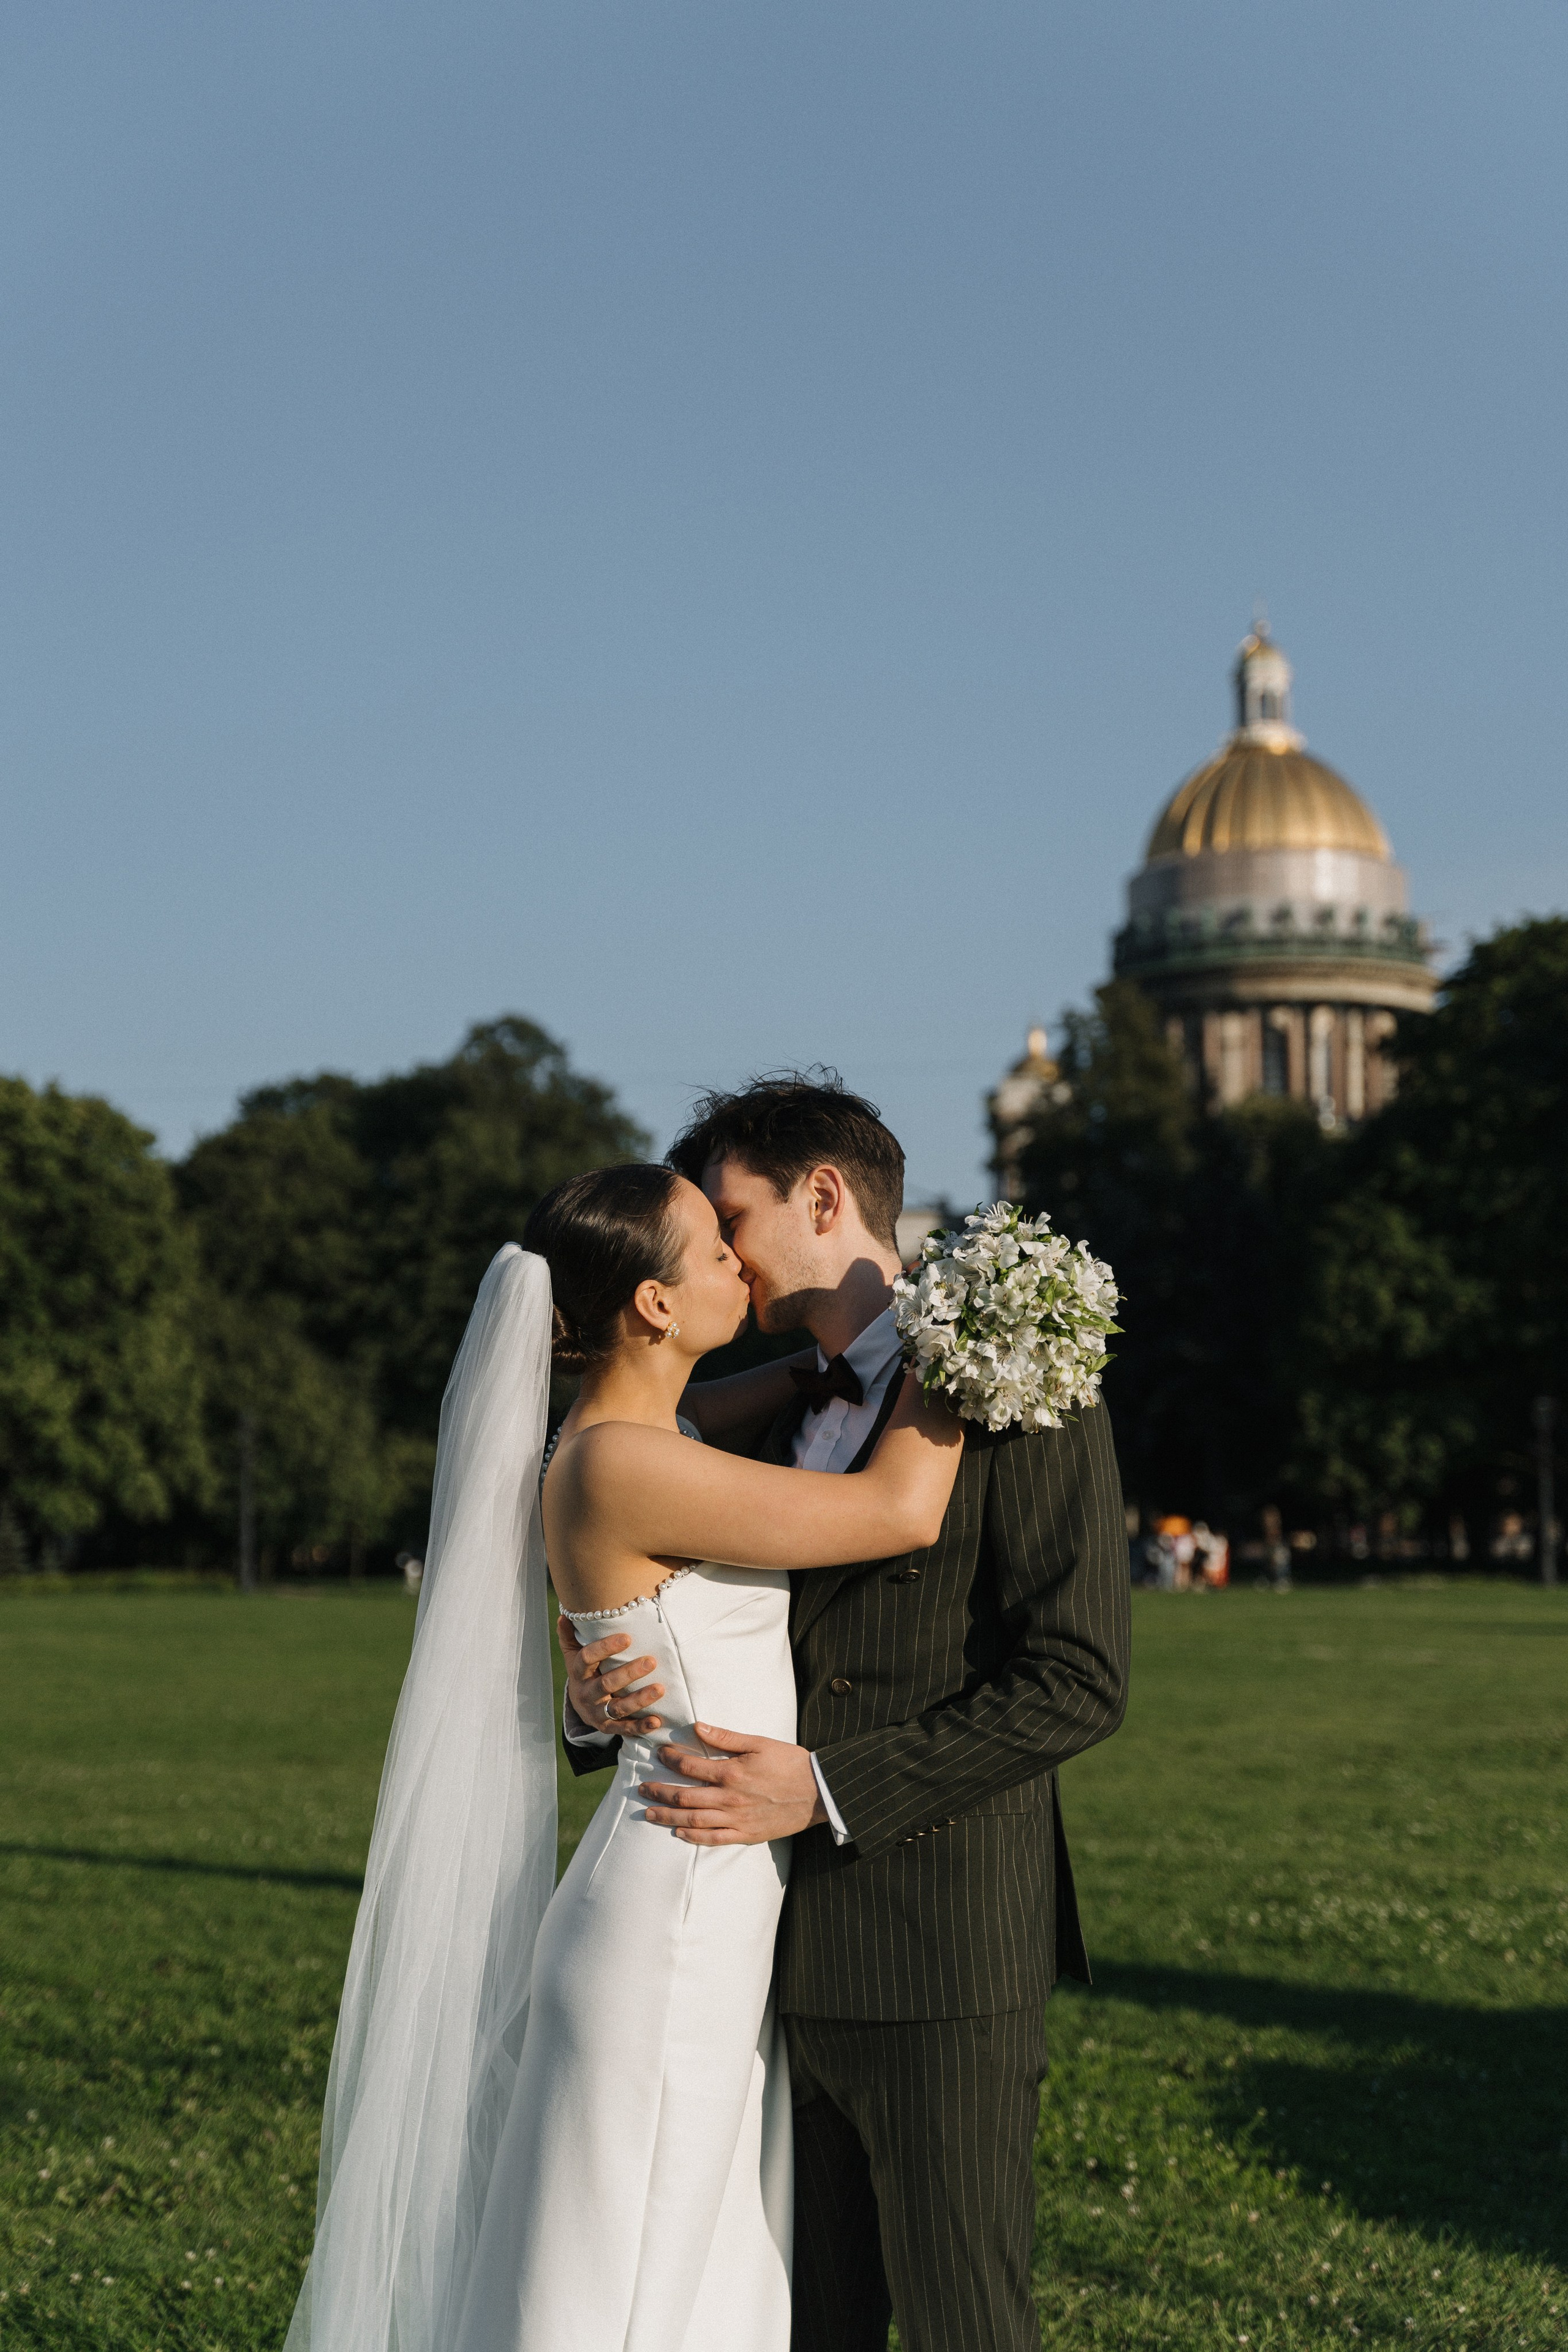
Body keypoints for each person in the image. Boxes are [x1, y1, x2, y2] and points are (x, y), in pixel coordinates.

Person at [284, 1161, 960, 2352]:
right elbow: (899, 1509)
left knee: (678, 2261)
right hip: (674, 1916)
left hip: (689, 1890)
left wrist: (823, 1364)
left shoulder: (647, 1436)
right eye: (711, 1252)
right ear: (650, 1305)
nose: (738, 1267)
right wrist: (976, 1335)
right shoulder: (622, 1466)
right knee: (629, 2271)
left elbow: (741, 1409)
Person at [563, 1076, 1130, 2352]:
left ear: (822, 1197)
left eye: (730, 1215)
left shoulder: (1014, 1374)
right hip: (745, 1961)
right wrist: (595, 1688)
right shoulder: (751, 1407)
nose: (719, 1252)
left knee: (959, 2323)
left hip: (937, 1953)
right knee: (791, 2325)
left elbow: (1076, 1679)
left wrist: (821, 1789)